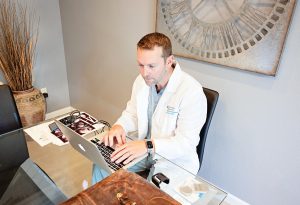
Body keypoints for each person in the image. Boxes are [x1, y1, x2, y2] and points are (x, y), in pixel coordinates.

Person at [92, 32, 207, 184]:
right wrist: (119, 126)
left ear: (169, 61)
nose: (145, 73)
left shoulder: (191, 91)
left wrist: (148, 145)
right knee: (102, 165)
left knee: (150, 194)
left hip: (172, 159)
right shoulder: (141, 82)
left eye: (152, 66)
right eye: (140, 65)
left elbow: (186, 143)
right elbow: (132, 113)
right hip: (143, 151)